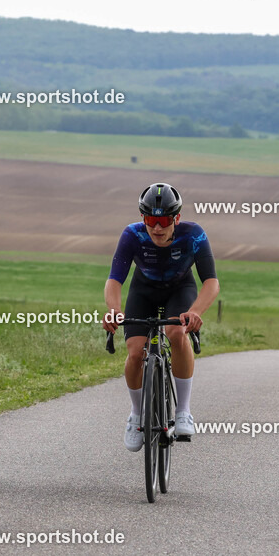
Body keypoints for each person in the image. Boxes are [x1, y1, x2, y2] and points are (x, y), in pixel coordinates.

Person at [102, 183, 219, 451]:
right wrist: (114, 310)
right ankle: (136, 414)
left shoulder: (194, 235)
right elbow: (115, 280)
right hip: (144, 290)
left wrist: (195, 312)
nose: (156, 227)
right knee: (134, 351)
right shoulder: (132, 235)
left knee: (176, 333)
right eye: (150, 220)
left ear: (176, 218)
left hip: (180, 290)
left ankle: (183, 412)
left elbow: (211, 283)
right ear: (143, 218)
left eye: (164, 220)